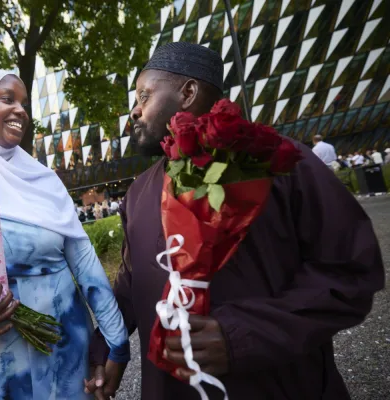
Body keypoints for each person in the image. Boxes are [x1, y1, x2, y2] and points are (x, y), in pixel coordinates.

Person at [86, 42, 384, 400]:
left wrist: (243, 335)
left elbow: (351, 270)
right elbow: (132, 282)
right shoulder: (138, 194)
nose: (134, 111)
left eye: (143, 95)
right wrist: (106, 348)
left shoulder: (280, 162)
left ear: (188, 92)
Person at [0, 69, 129, 399]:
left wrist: (117, 346)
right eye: (6, 99)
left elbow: (87, 268)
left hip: (66, 350)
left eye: (24, 103)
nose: (21, 111)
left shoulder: (45, 180)